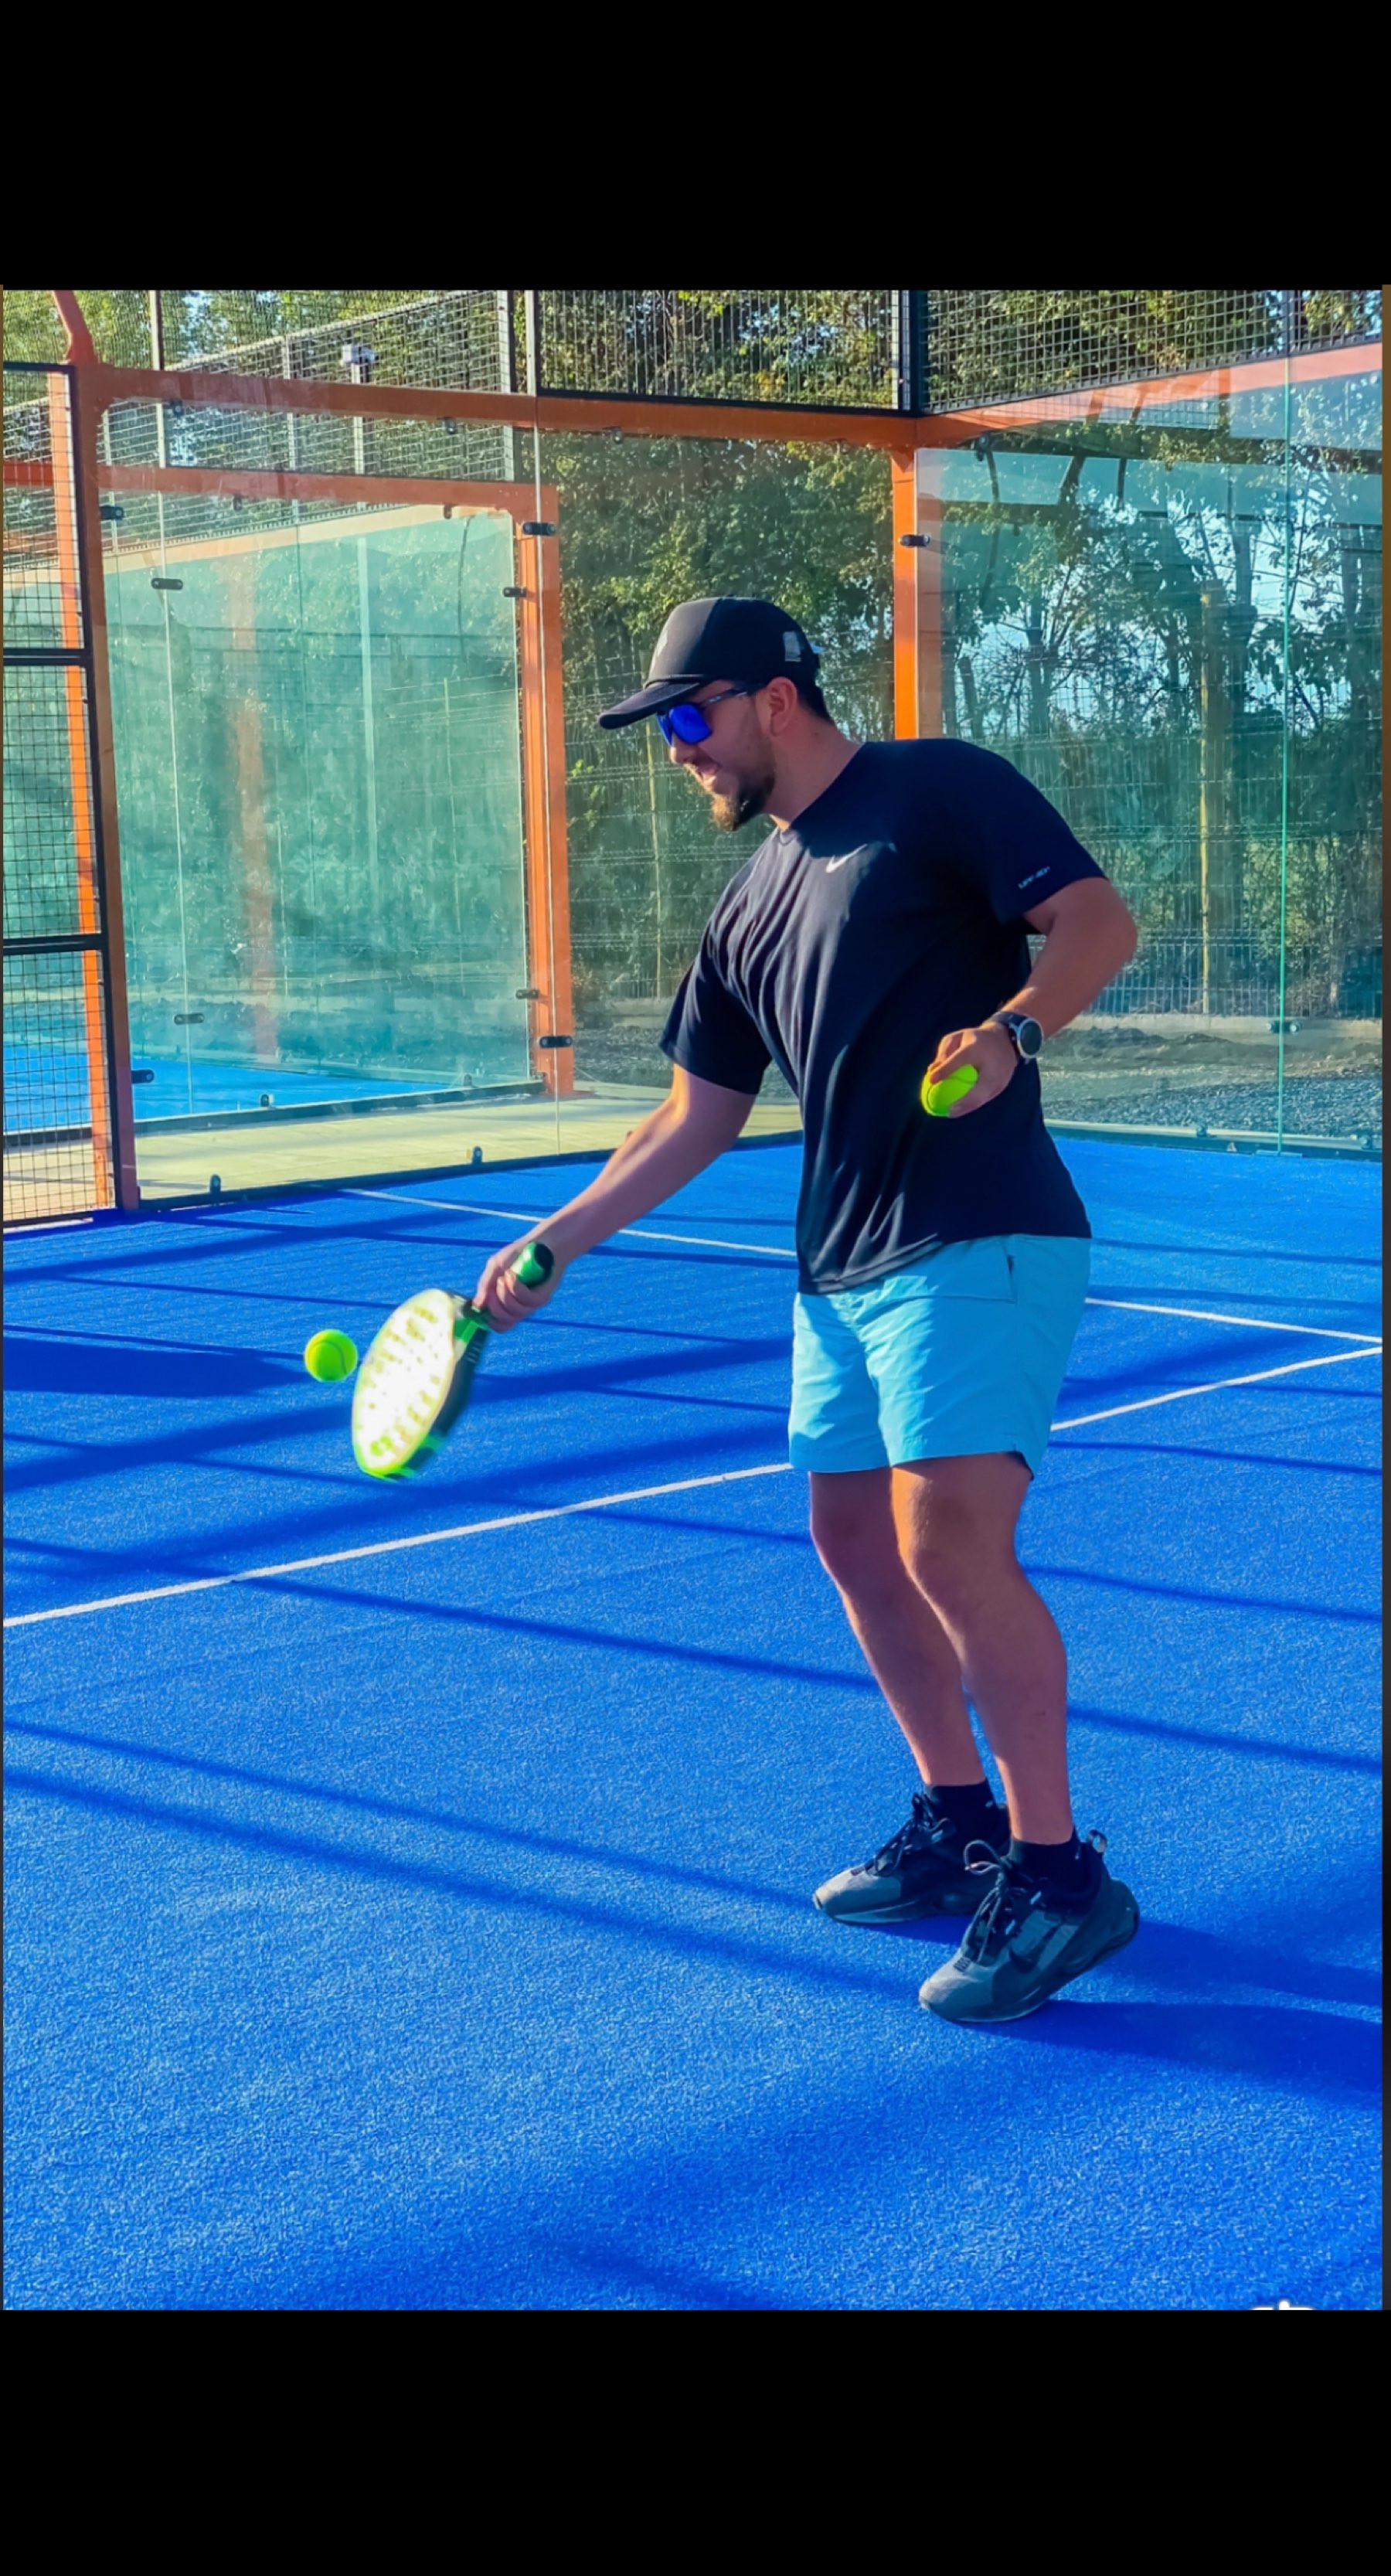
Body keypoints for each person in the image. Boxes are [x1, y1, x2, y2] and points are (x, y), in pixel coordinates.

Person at [476, 596, 1142, 2026]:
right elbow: (694, 1114)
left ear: (776, 697)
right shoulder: (748, 908)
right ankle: (960, 1821)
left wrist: (1015, 1029)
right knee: (853, 1542)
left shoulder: (937, 789)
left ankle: (1058, 1876)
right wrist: (560, 1239)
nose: (678, 749)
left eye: (689, 716)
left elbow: (1098, 919)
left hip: (979, 1228)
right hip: (839, 1269)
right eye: (663, 729)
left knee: (947, 1539)